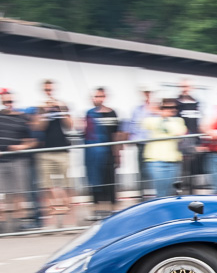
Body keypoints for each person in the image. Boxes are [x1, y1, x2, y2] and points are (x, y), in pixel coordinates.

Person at [0, 88, 35, 231]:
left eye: (10, 101)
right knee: (5, 193)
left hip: (17, 160)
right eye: (5, 101)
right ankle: (6, 223)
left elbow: (32, 141)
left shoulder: (23, 117)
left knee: (18, 193)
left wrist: (21, 146)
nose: (7, 104)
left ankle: (19, 222)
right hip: (1, 160)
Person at [32, 80, 74, 228]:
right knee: (47, 184)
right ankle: (52, 211)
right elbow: (38, 127)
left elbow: (70, 125)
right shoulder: (40, 107)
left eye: (50, 89)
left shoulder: (61, 105)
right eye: (46, 89)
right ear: (43, 90)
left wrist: (60, 110)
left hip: (62, 150)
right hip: (45, 151)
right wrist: (45, 112)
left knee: (66, 182)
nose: (49, 91)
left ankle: (68, 210)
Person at [82, 87, 124, 217]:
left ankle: (113, 212)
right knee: (95, 182)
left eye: (100, 96)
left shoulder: (112, 113)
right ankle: (97, 212)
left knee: (110, 182)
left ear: (104, 97)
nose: (98, 99)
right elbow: (86, 133)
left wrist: (118, 154)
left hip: (108, 154)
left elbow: (117, 134)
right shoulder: (89, 113)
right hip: (93, 155)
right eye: (95, 96)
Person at [142, 99, 188, 198]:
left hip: (173, 161)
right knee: (161, 193)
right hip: (156, 161)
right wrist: (162, 117)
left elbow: (179, 132)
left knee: (170, 192)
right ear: (160, 108)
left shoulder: (178, 120)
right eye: (166, 107)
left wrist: (166, 120)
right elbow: (147, 124)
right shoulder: (151, 119)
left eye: (173, 108)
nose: (170, 110)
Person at [175, 80, 206, 192]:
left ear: (191, 88)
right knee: (182, 171)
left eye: (187, 86)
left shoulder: (196, 103)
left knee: (193, 171)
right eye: (182, 86)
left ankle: (192, 193)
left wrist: (201, 141)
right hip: (181, 142)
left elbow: (200, 123)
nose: (185, 88)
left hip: (195, 141)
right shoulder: (176, 103)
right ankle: (182, 193)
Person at [126, 89, 154, 197]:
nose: (147, 95)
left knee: (152, 168)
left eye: (149, 93)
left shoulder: (156, 109)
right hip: (141, 142)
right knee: (141, 168)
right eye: (145, 93)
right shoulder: (137, 110)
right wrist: (133, 138)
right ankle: (142, 193)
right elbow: (133, 125)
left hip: (153, 143)